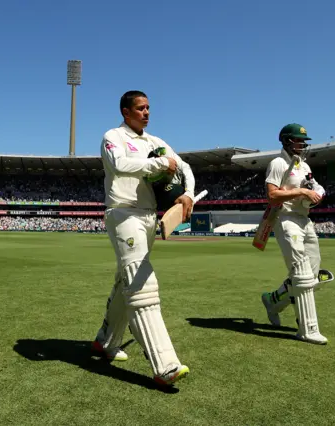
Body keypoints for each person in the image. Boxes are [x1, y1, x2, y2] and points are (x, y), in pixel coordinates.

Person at [91, 90, 195, 386]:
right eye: (140, 108)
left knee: (128, 280)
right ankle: (165, 366)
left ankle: (105, 342)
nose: (146, 112)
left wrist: (187, 193)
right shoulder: (113, 136)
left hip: (149, 216)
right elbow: (119, 165)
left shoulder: (155, 142)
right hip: (123, 213)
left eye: (149, 107)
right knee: (142, 282)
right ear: (126, 112)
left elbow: (184, 167)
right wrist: (159, 165)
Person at [260, 123, 333, 345]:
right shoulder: (278, 163)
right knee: (301, 274)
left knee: (311, 275)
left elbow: (317, 186)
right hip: (286, 219)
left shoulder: (303, 165)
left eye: (303, 141)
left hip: (305, 220)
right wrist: (301, 191)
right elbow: (272, 196)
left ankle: (273, 302)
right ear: (285, 141)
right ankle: (307, 329)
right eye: (298, 141)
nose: (302, 144)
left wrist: (317, 193)